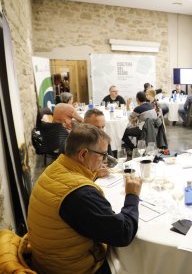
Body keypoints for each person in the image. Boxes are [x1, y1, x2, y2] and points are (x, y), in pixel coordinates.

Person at [27, 124, 142, 273]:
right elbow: (123, 234)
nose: (105, 160)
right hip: (72, 268)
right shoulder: (80, 194)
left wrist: (92, 173)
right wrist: (132, 195)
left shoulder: (55, 168)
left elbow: (71, 182)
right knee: (132, 263)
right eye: (103, 155)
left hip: (46, 259)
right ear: (83, 154)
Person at [84, 108, 114, 178]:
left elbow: (110, 161)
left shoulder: (104, 140)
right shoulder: (76, 142)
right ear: (84, 124)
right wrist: (95, 174)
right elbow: (73, 173)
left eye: (102, 127)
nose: (101, 131)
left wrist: (104, 165)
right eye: (96, 127)